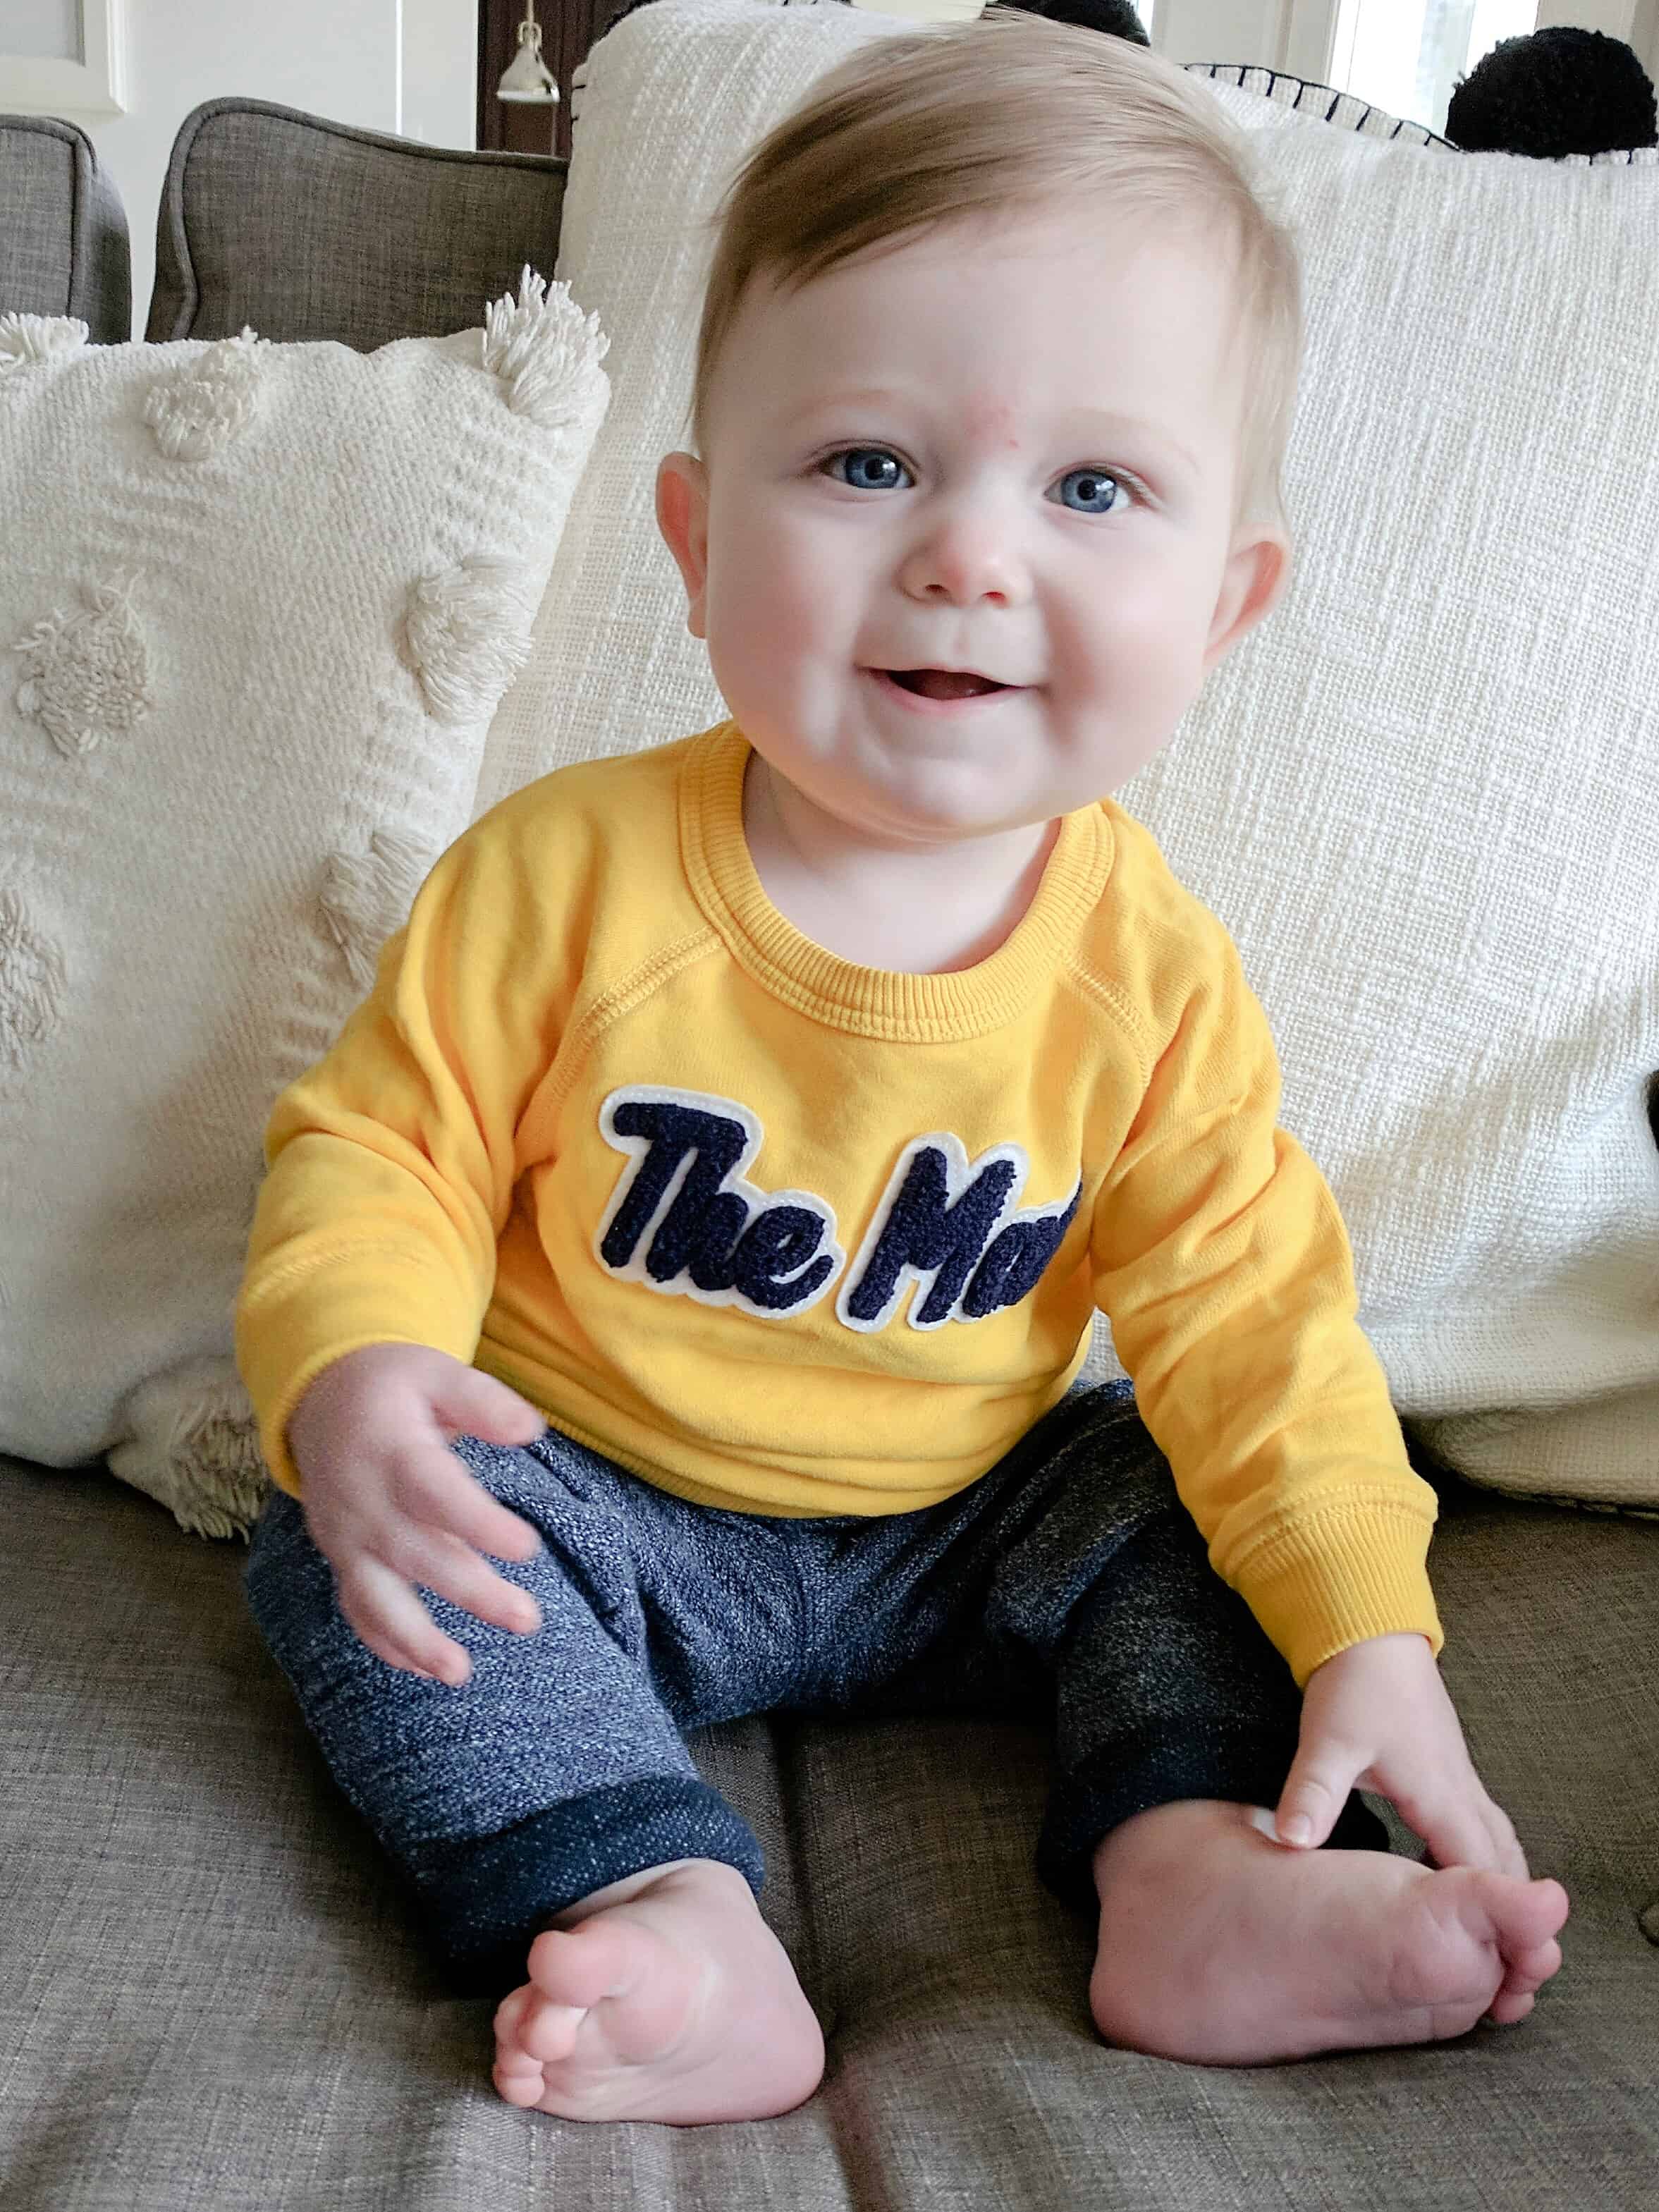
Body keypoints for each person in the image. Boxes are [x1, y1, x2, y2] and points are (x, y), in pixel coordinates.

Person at [234, 7, 1570, 2128]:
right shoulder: (566, 875)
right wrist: (356, 1366)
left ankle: (1187, 1867)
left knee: (1192, 1486)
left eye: (1093, 486)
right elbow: (377, 1150)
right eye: (868, 462)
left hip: (969, 1519)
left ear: (1220, 607)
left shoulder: (1145, 968)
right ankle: (664, 1898)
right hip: (603, 1504)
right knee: (338, 1533)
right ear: (691, 540)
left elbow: (1249, 1314)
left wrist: (1364, 1631)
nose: (968, 552)